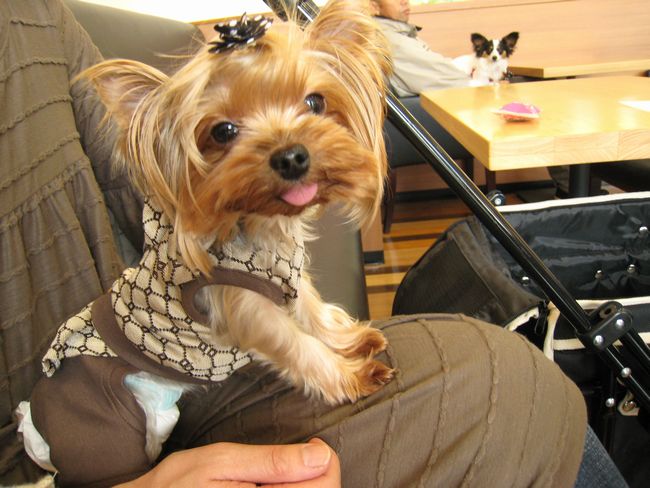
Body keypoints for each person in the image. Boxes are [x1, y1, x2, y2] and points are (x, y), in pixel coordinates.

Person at [0, 1, 628, 487]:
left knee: (534, 393)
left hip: (199, 389)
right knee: (518, 394)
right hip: (107, 398)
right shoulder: (211, 258)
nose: (288, 148)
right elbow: (263, 321)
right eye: (225, 131)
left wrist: (331, 328)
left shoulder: (44, 22)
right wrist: (334, 372)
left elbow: (288, 285)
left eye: (312, 103)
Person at [369, 0, 473, 96]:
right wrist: (477, 80)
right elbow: (451, 81)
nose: (404, 1)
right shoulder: (390, 41)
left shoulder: (399, 33)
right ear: (374, 7)